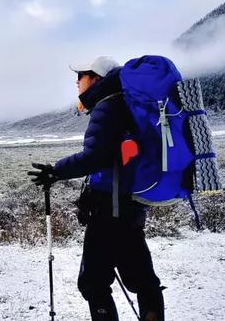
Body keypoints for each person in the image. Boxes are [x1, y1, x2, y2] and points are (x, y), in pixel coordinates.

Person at [28, 56, 165, 321]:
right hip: (130, 205)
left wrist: (56, 171)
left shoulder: (107, 107)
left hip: (109, 210)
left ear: (96, 79)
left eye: (81, 76)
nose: (77, 81)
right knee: (141, 279)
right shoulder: (125, 105)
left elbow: (95, 158)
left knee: (93, 282)